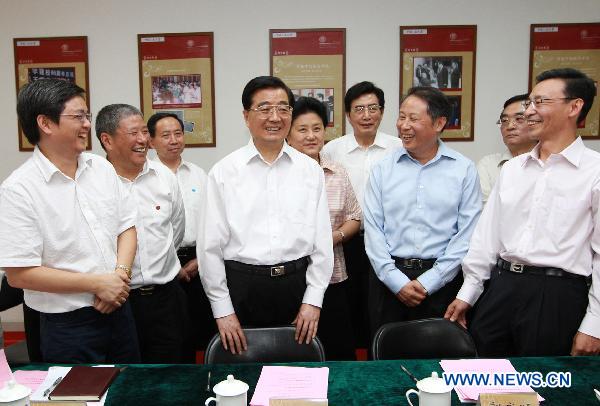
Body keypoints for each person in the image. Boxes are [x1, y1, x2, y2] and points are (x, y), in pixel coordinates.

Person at [445, 68, 600, 356]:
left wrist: (594, 324)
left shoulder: (594, 171)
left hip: (558, 295)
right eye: (530, 102)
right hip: (502, 287)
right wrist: (468, 292)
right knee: (484, 383)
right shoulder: (513, 169)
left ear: (574, 107)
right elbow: (486, 238)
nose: (529, 111)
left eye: (540, 102)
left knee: (547, 386)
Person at [0, 79, 140, 363]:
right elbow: (19, 274)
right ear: (46, 123)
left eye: (87, 115)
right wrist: (97, 284)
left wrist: (118, 277)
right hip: (68, 326)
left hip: (120, 308)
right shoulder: (19, 189)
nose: (87, 124)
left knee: (130, 391)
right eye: (78, 116)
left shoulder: (101, 168)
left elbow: (126, 227)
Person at [198, 76, 333, 354]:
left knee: (297, 377)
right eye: (264, 108)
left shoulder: (310, 171)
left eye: (283, 108)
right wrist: (222, 309)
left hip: (296, 286)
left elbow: (322, 242)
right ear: (246, 116)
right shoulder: (224, 172)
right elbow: (209, 247)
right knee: (243, 376)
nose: (275, 117)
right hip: (242, 288)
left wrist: (313, 298)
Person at [364, 86, 481, 338]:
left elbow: (467, 234)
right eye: (401, 117)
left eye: (413, 119)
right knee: (386, 363)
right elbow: (373, 230)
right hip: (388, 283)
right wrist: (396, 280)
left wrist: (430, 281)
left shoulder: (464, 170)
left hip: (442, 283)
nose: (404, 125)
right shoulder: (383, 169)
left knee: (438, 363)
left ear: (439, 123)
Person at [96, 104, 187, 363]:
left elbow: (176, 230)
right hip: (118, 302)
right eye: (133, 133)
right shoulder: (94, 183)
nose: (143, 141)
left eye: (144, 132)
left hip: (166, 300)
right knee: (123, 376)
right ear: (107, 140)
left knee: (172, 376)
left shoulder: (164, 177)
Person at [322, 81, 401, 348]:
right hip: (348, 239)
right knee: (351, 299)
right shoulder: (333, 149)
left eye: (373, 108)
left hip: (389, 240)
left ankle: (379, 350)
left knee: (382, 304)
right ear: (348, 114)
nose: (366, 115)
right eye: (359, 109)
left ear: (382, 111)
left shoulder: (398, 147)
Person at [287, 96, 362, 360]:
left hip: (333, 276)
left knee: (337, 350)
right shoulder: (279, 175)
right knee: (297, 353)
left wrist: (335, 236)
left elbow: (354, 216)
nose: (311, 136)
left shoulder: (337, 172)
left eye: (317, 128)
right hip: (291, 279)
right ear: (288, 133)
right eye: (302, 129)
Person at [147, 112, 214, 361]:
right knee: (174, 336)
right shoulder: (146, 178)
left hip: (199, 262)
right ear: (151, 141)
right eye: (165, 135)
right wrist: (174, 266)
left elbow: (212, 221)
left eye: (178, 133)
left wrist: (200, 260)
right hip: (163, 268)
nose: (174, 140)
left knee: (206, 331)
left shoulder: (199, 174)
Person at [477, 94, 537, 203]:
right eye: (504, 120)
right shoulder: (489, 165)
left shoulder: (551, 162)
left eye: (519, 119)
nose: (510, 126)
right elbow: (485, 211)